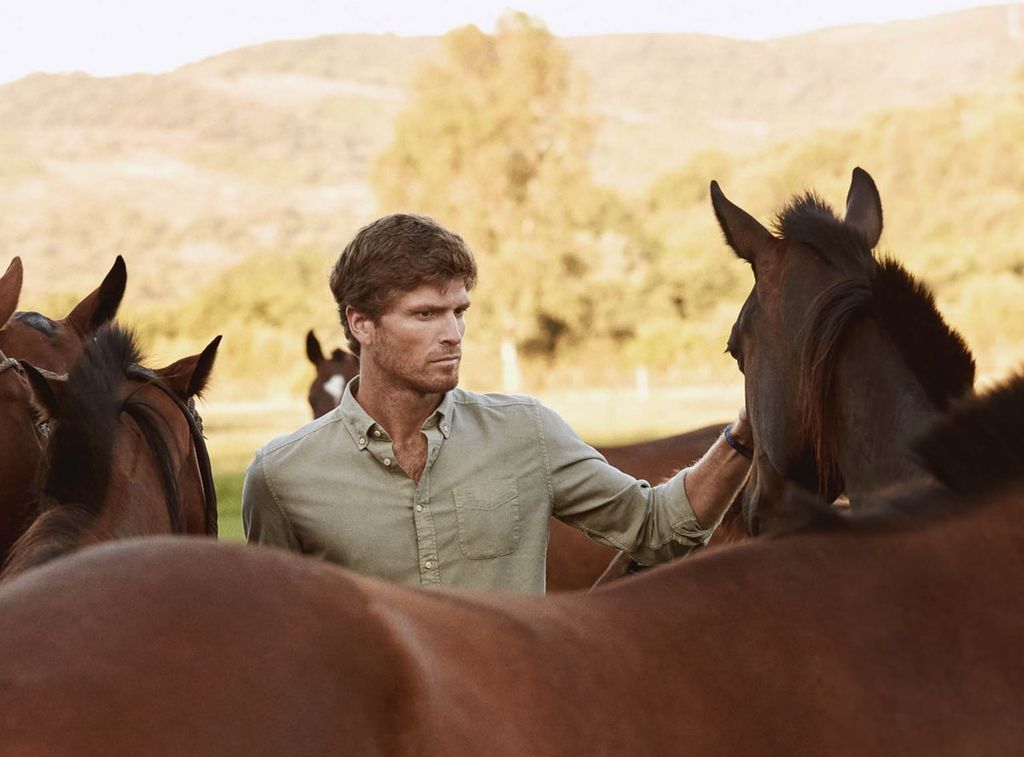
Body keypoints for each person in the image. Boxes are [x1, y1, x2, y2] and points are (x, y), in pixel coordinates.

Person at [242, 213, 753, 594]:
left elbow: (658, 528)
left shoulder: (525, 432)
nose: (453, 334)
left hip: (511, 731)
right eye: (425, 315)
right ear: (361, 324)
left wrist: (743, 434)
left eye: (458, 311)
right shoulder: (282, 477)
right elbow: (283, 635)